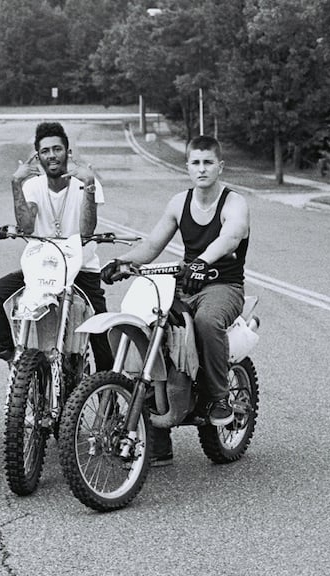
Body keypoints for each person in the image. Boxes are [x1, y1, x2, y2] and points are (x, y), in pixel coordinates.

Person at [101, 134, 250, 467]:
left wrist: (202, 261)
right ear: (187, 167)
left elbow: (232, 235)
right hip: (183, 285)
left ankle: (217, 400)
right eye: (195, 163)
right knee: (152, 330)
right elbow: (153, 244)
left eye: (208, 162)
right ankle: (159, 436)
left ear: (220, 166)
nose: (201, 169)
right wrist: (124, 263)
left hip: (222, 286)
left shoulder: (233, 202)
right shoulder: (178, 203)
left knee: (206, 322)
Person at [0, 122, 111, 371]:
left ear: (68, 152)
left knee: (100, 331)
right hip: (42, 269)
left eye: (57, 149)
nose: (52, 156)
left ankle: (108, 396)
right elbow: (27, 227)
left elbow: (87, 230)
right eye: (45, 151)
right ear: (37, 156)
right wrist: (15, 184)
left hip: (81, 269)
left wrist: (90, 186)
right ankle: (13, 355)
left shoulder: (86, 182)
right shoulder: (33, 185)